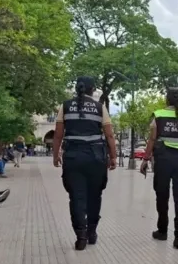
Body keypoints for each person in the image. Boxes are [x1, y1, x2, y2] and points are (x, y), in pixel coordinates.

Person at [52, 76, 117, 251]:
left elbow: (58, 135)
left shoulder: (65, 106)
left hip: (73, 157)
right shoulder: (99, 107)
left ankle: (80, 235)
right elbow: (109, 135)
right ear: (92, 89)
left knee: (76, 196)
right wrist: (113, 157)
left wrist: (55, 155)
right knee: (95, 195)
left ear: (76, 88)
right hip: (96, 158)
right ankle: (92, 232)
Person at [140, 87, 178, 250]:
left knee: (162, 196)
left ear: (167, 99)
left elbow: (152, 139)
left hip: (163, 159)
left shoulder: (159, 115)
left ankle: (162, 231)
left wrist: (145, 159)